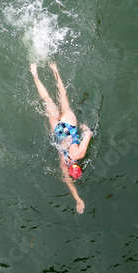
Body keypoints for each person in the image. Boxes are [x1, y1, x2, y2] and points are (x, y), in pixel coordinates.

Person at [30, 62, 94, 214]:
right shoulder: (63, 163)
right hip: (57, 131)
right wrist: (78, 199)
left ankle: (54, 69)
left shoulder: (79, 154)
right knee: (47, 100)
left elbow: (89, 133)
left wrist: (85, 128)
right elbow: (69, 184)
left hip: (69, 125)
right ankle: (34, 73)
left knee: (62, 96)